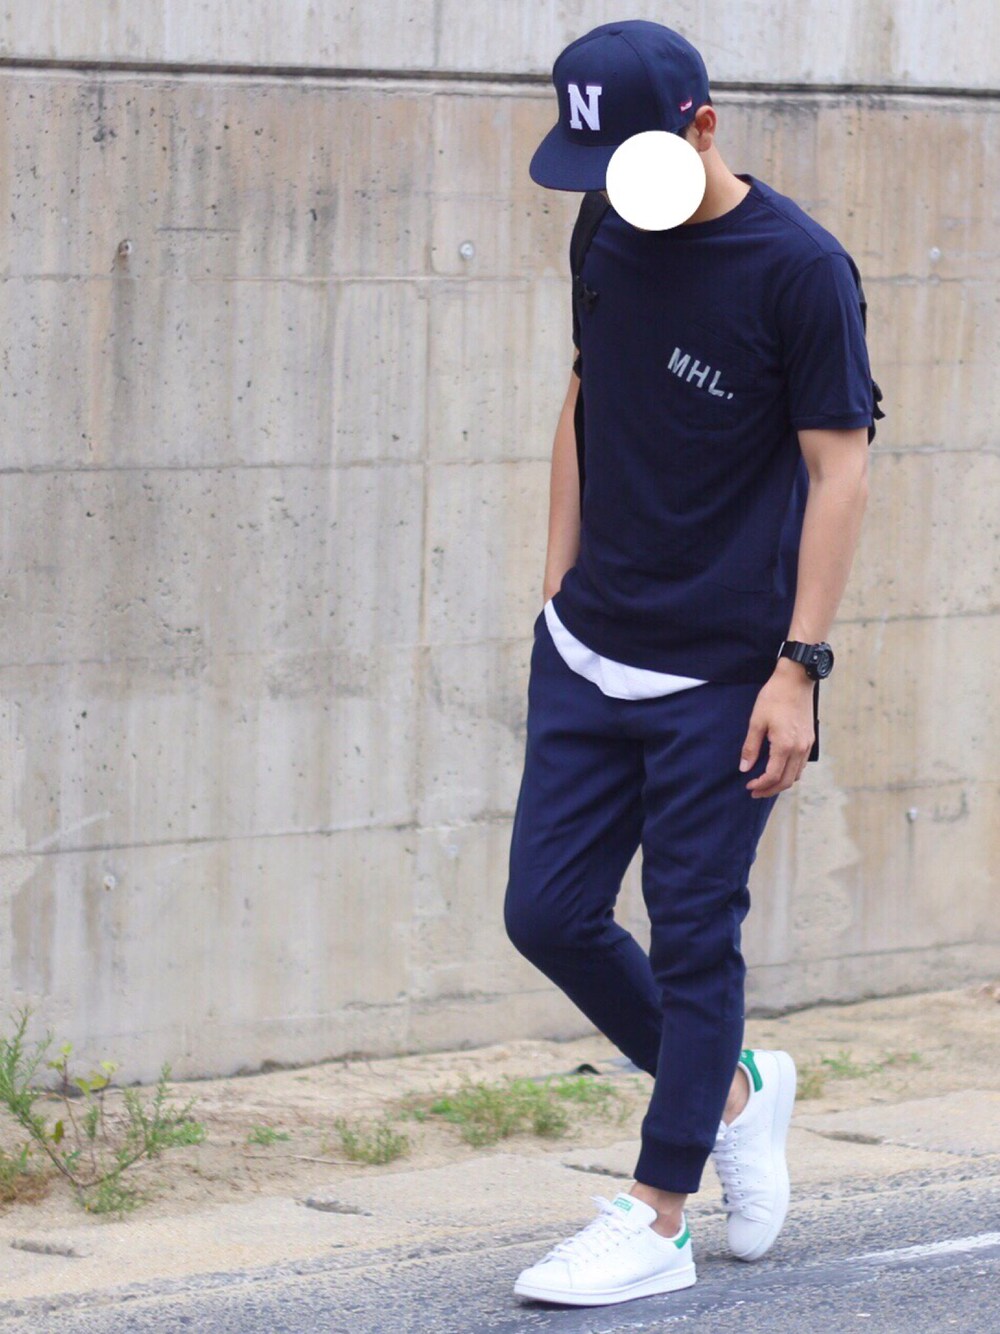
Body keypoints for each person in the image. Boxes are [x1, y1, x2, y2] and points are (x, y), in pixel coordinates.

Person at [503, 19, 877, 1309]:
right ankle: (729, 1090)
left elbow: (840, 470)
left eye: (632, 160)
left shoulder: (799, 270)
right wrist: (557, 580)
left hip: (725, 672)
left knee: (693, 937)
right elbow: (585, 390)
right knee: (547, 914)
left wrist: (799, 667)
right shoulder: (602, 228)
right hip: (588, 645)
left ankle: (658, 1215)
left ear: (703, 128)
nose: (610, 189)